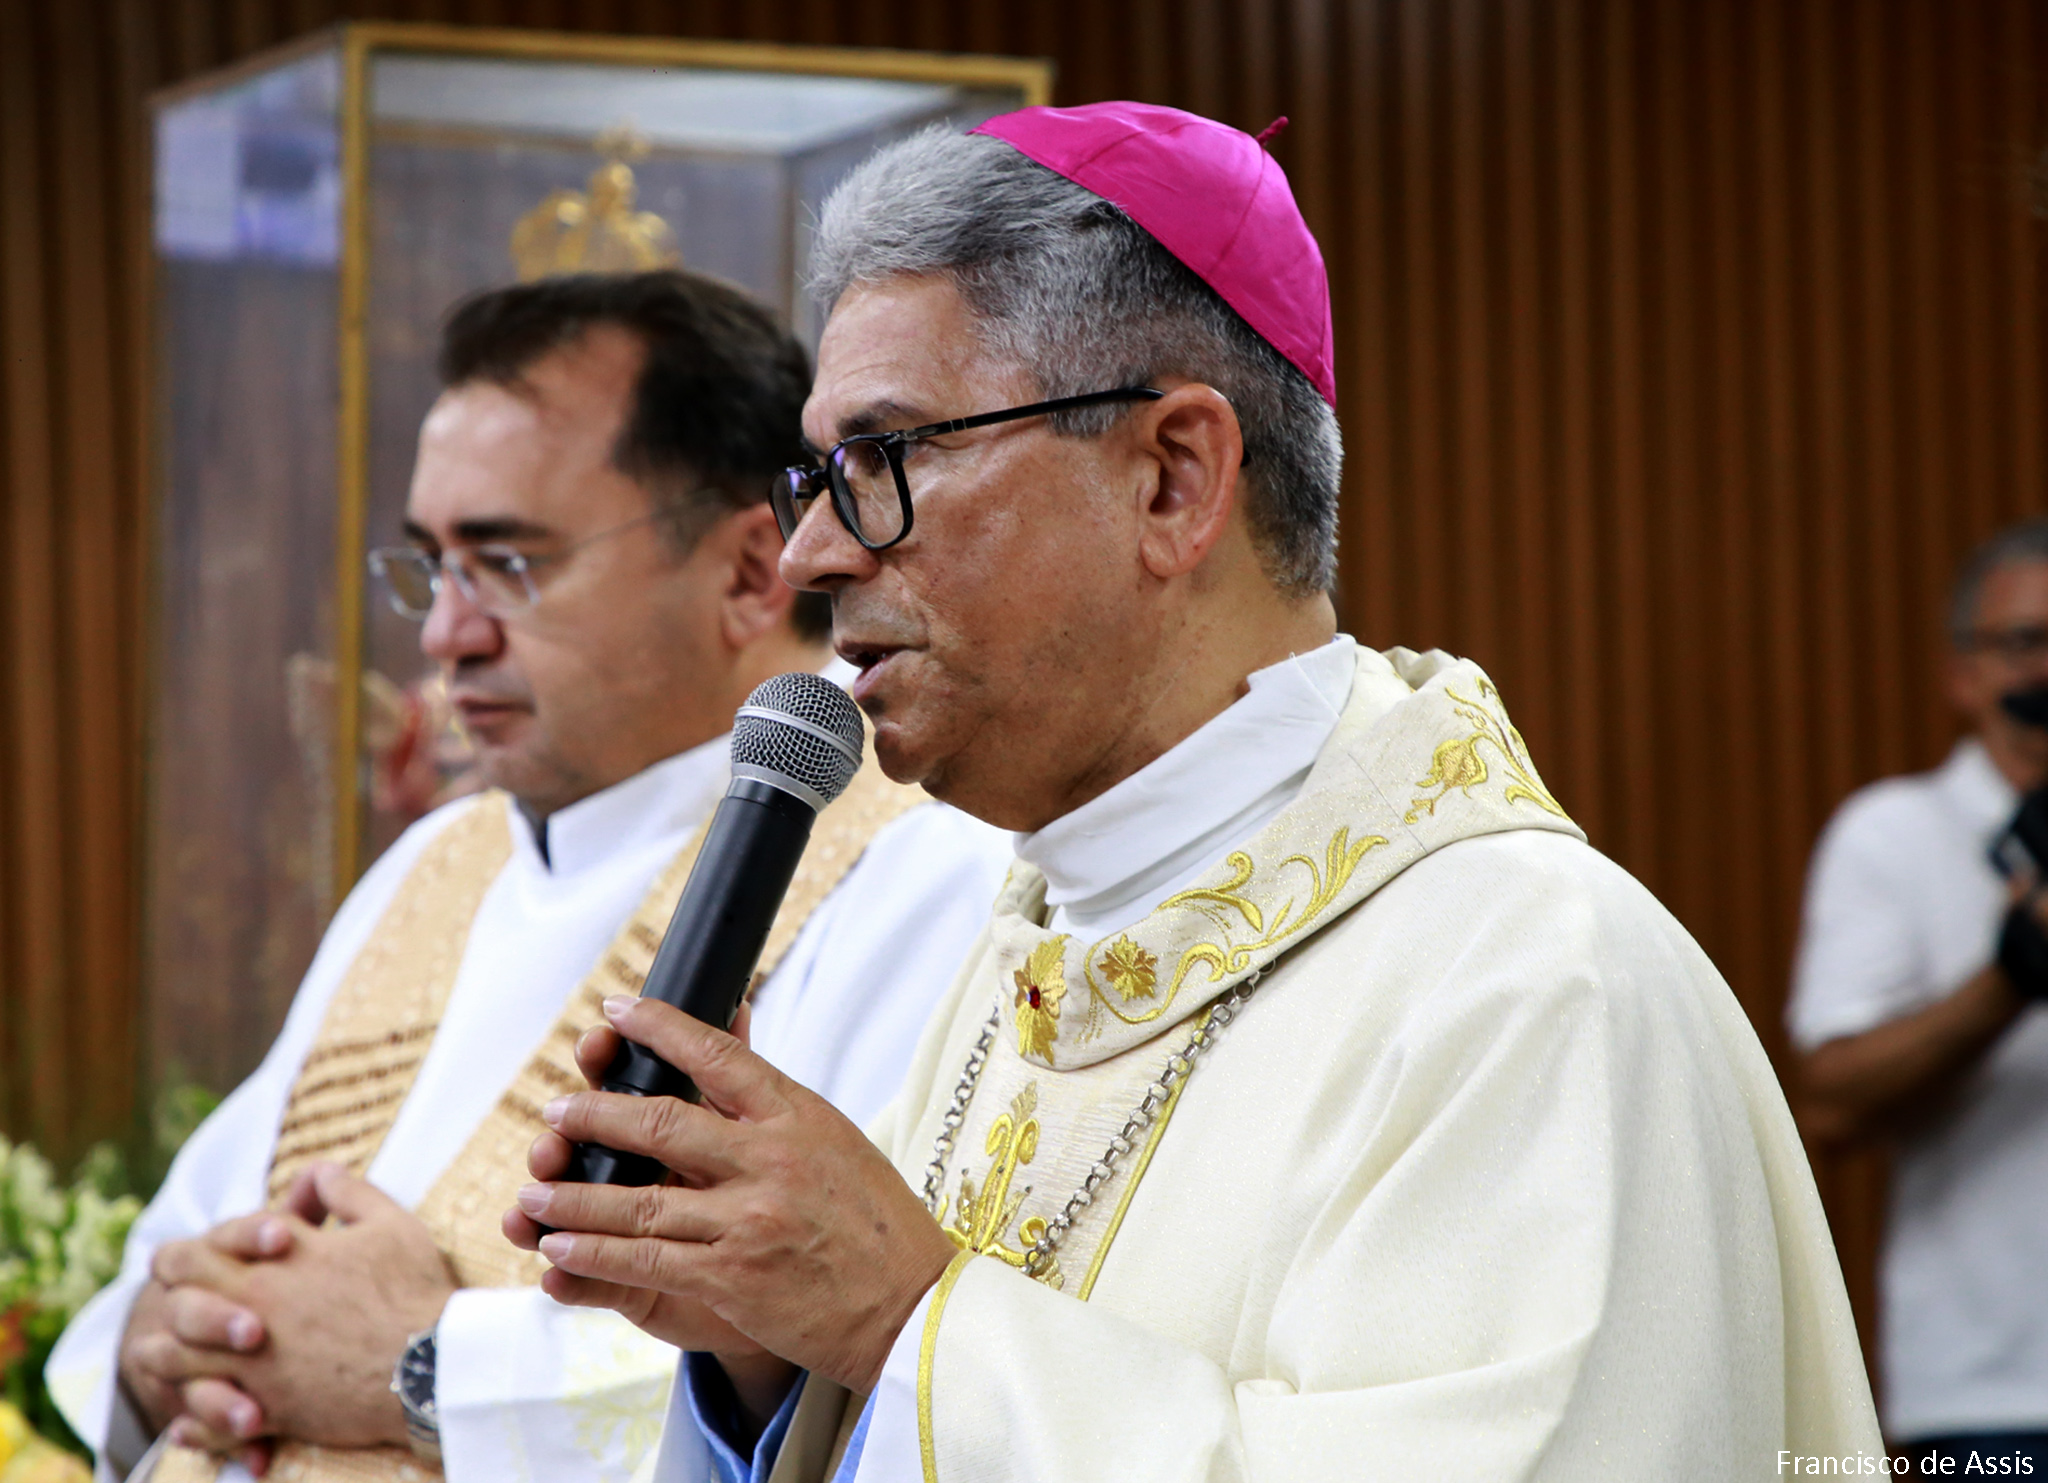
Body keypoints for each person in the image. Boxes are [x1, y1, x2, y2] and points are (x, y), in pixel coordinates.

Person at [502, 102, 1884, 1483]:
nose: (811, 552)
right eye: (821, 473)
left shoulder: (1534, 983)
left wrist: (899, 1317)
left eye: (889, 458)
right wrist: (768, 1351)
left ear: (1171, 480)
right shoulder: (1033, 945)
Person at [45, 271, 1013, 1483]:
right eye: (431, 566)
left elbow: (868, 1362)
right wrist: (168, 1341)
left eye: (506, 563)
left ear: (747, 573)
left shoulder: (924, 869)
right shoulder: (440, 861)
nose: (444, 635)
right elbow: (177, 1263)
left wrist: (427, 1368)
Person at [1789, 518, 2048, 1474]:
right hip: (1994, 1392)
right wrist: (2012, 977)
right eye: (2025, 641)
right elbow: (1829, 1101)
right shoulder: (1892, 836)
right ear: (1961, 675)